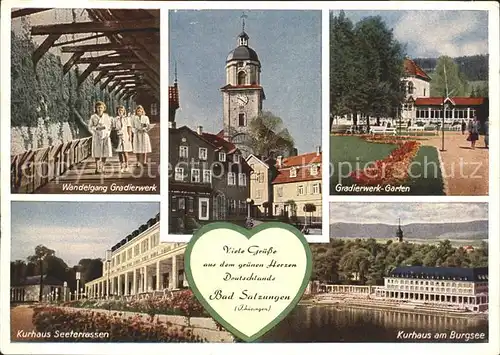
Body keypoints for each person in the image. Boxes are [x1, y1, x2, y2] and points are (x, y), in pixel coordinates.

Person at [88, 101, 112, 174]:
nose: (99, 109)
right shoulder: (93, 117)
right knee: (97, 152)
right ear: (96, 109)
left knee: (105, 152)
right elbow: (90, 127)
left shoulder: (107, 116)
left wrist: (108, 133)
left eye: (101, 107)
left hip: (105, 136)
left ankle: (102, 167)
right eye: (98, 108)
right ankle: (97, 168)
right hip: (97, 136)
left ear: (104, 108)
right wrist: (95, 129)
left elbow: (109, 126)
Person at [111, 105, 133, 173]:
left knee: (125, 152)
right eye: (119, 110)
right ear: (117, 111)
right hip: (118, 136)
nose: (120, 112)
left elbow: (129, 127)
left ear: (124, 111)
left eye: (122, 110)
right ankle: (121, 166)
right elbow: (113, 128)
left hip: (125, 135)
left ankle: (127, 165)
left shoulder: (127, 119)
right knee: (120, 152)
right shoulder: (115, 119)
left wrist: (130, 136)